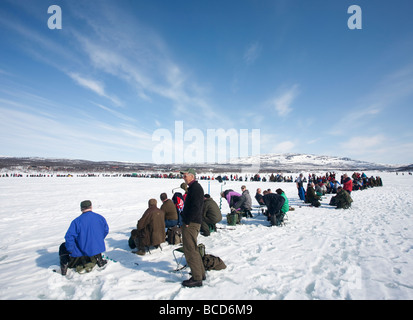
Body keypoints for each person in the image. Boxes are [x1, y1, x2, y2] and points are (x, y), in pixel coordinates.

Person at [59, 200, 109, 275]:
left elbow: (69, 237)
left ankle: (64, 267)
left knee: (62, 247)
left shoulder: (77, 221)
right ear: (91, 207)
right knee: (93, 241)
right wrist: (97, 239)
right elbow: (106, 230)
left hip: (83, 250)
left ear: (81, 208)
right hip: (97, 247)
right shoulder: (100, 218)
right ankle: (100, 260)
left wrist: (70, 250)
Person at [180, 168, 205, 287]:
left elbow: (195, 207)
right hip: (193, 222)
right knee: (193, 249)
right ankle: (200, 274)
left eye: (185, 176)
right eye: (183, 176)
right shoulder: (194, 188)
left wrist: (188, 220)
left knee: (190, 250)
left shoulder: (195, 188)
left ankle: (197, 278)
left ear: (192, 176)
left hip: (191, 223)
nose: (184, 178)